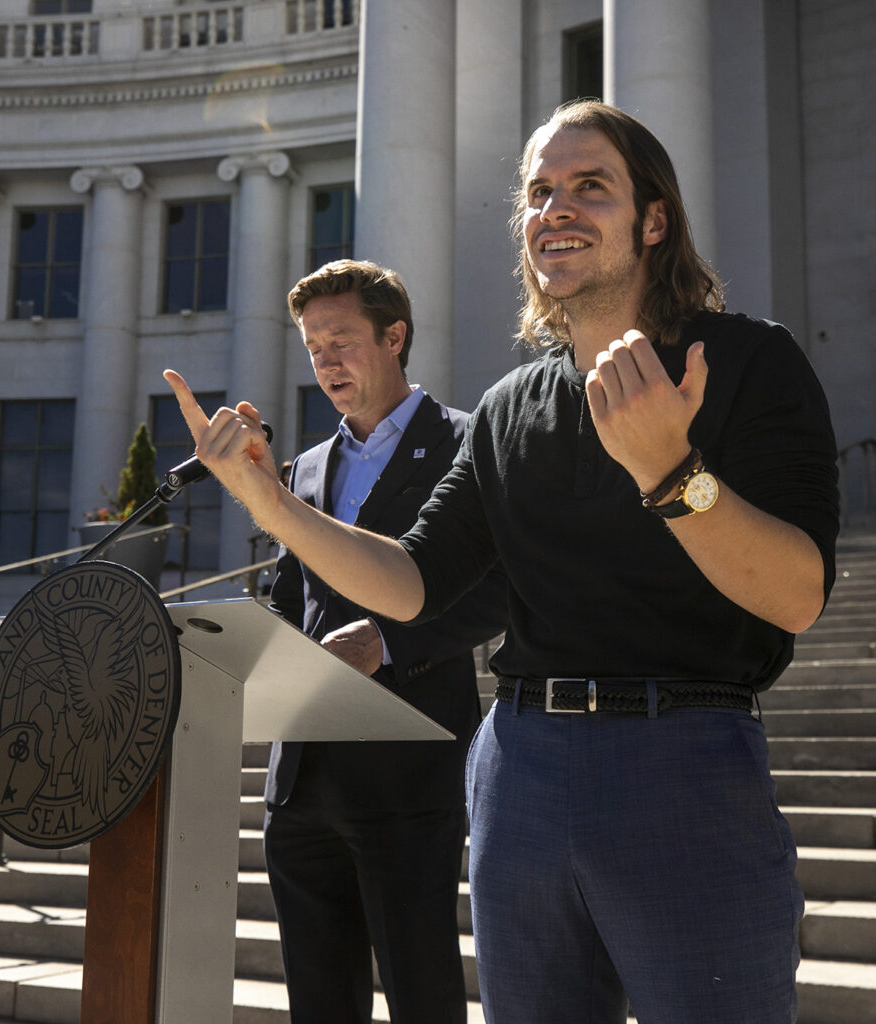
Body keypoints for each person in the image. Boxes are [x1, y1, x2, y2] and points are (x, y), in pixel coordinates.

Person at [166, 100, 838, 1024]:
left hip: (682, 758)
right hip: (522, 770)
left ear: (653, 219)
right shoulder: (511, 405)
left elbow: (799, 595)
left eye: (589, 187)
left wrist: (673, 474)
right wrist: (271, 504)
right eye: (538, 192)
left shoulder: (750, 362)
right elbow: (410, 581)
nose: (555, 208)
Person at [220, 259, 504, 1023]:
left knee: (422, 994)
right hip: (301, 782)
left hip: (408, 778)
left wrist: (389, 643)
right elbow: (290, 596)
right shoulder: (304, 469)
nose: (326, 363)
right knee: (318, 1002)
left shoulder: (468, 442)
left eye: (341, 341)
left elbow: (498, 594)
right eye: (313, 348)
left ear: (395, 337)